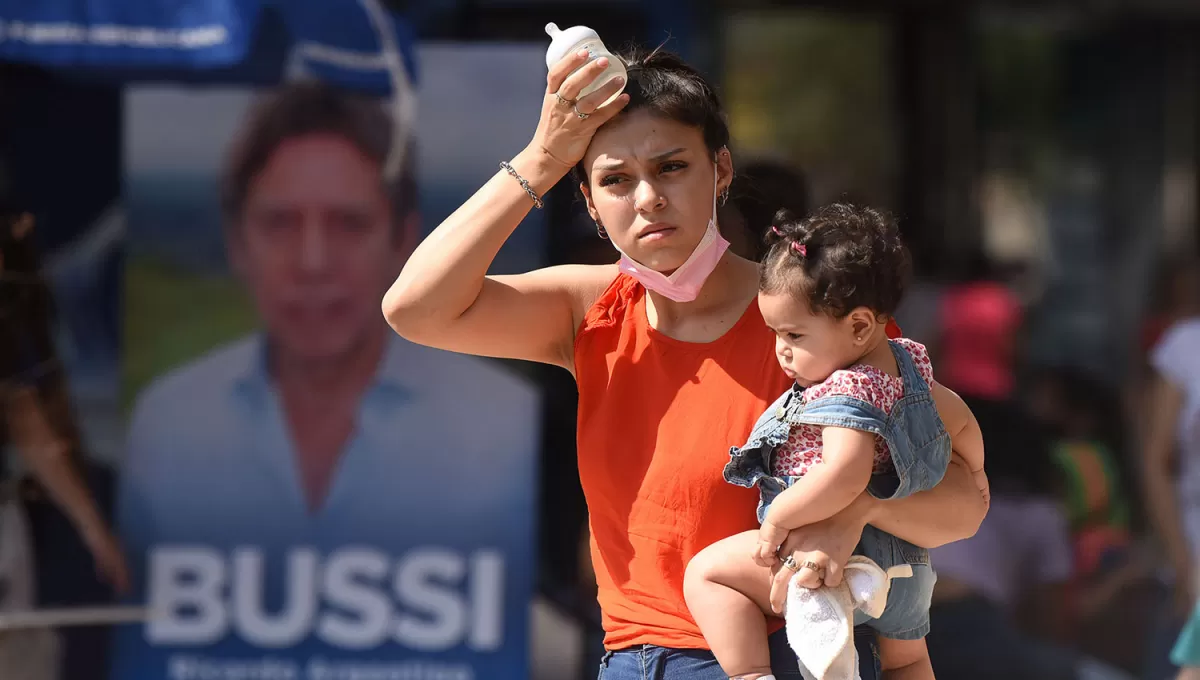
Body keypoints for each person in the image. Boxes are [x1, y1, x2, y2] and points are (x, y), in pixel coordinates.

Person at [382, 46, 988, 679]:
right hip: (626, 662)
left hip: (788, 659)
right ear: (589, 202)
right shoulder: (588, 311)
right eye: (615, 179)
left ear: (720, 170)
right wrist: (543, 157)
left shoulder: (818, 325)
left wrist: (862, 508)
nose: (647, 198)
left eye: (671, 167)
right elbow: (413, 309)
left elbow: (965, 500)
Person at [116, 82, 538, 668]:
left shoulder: (502, 424)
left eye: (348, 223)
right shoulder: (169, 419)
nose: (313, 262)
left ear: (404, 239)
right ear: (238, 242)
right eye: (281, 223)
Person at [683, 204, 987, 679]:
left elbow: (845, 473)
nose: (780, 349)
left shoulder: (845, 391)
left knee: (707, 574)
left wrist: (779, 520)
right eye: (775, 333)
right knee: (908, 660)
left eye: (794, 334)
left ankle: (750, 674)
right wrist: (976, 469)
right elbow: (960, 420)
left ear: (860, 326)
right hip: (909, 564)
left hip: (840, 560)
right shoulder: (909, 366)